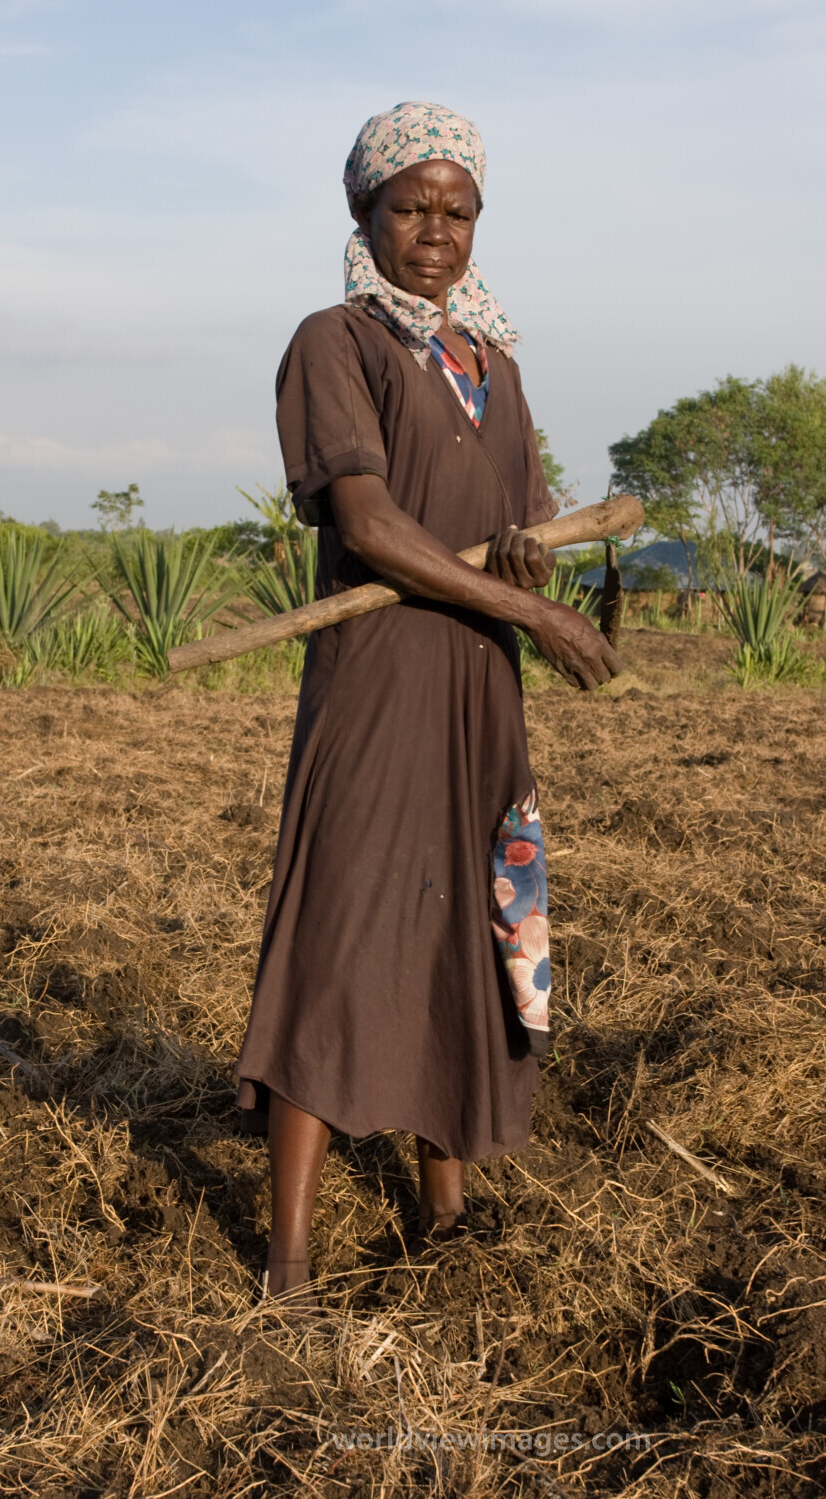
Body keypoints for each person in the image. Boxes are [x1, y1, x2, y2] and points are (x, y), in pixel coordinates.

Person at [234, 101, 620, 1306]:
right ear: (365, 212)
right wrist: (536, 617)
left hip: (476, 690)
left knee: (466, 924)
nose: (435, 233)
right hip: (383, 685)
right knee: (341, 938)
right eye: (410, 207)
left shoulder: (494, 365)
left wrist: (531, 571)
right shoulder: (332, 344)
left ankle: (444, 1211)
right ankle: (288, 1261)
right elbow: (371, 526)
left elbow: (521, 529)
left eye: (457, 212)